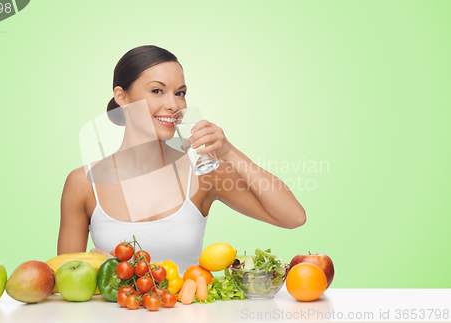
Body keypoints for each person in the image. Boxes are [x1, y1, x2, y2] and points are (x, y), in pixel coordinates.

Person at [58, 45, 306, 273]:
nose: (173, 104)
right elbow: (65, 279)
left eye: (180, 93)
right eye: (157, 90)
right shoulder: (83, 183)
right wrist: (104, 269)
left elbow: (293, 217)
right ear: (122, 97)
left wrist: (229, 152)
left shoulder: (203, 172)